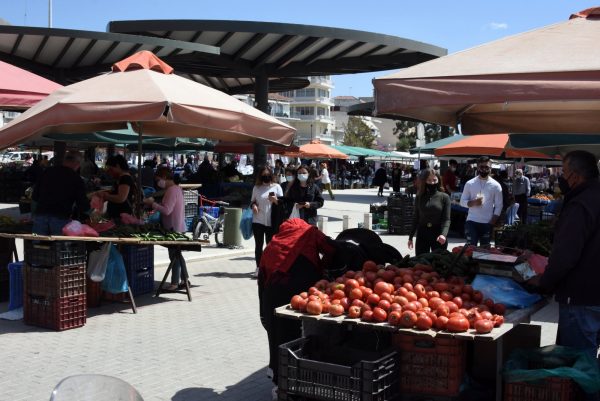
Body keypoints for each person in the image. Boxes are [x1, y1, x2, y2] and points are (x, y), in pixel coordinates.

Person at [530, 150, 600, 368]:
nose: (561, 178)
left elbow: (566, 255)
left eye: (564, 172)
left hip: (581, 296)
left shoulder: (581, 204)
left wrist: (545, 282)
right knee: (590, 362)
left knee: (579, 365)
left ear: (576, 176)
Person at [143, 167, 186, 290]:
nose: (158, 183)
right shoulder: (176, 189)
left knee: (175, 256)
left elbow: (167, 210)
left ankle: (174, 283)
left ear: (165, 177)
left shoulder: (172, 190)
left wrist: (153, 204)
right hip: (177, 226)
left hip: (174, 228)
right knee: (177, 255)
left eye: (158, 180)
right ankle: (184, 280)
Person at [32, 151, 90, 235]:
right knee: (59, 246)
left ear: (64, 161)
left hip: (41, 215)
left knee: (38, 246)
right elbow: (82, 205)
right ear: (77, 163)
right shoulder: (76, 178)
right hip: (60, 217)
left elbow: (35, 196)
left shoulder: (47, 171)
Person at [459, 156, 503, 247]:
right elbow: (462, 202)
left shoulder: (496, 185)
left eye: (486, 167)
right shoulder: (470, 183)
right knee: (471, 248)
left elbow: (499, 205)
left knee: (484, 251)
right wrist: (473, 202)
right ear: (477, 167)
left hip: (487, 222)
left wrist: (492, 221)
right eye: (481, 167)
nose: (484, 169)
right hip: (472, 221)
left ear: (491, 168)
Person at [408, 168, 451, 255]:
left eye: (434, 180)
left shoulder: (444, 197)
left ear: (438, 180)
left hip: (438, 234)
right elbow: (416, 217)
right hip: (422, 233)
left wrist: (443, 234)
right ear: (424, 181)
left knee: (439, 263)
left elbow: (446, 219)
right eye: (429, 180)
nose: (432, 183)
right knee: (421, 262)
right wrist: (410, 237)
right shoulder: (419, 197)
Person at [250, 166, 283, 277]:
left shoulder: (277, 187)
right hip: (258, 220)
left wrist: (276, 200)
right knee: (258, 245)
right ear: (260, 176)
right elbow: (252, 201)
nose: (266, 177)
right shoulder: (256, 188)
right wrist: (254, 206)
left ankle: (269, 267)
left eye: (268, 175)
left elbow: (283, 204)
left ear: (271, 175)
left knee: (270, 245)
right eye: (264, 175)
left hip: (272, 221)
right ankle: (258, 267)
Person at [98, 155, 137, 220]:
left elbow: (121, 198)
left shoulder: (125, 178)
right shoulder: (121, 178)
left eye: (111, 169)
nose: (110, 172)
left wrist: (106, 196)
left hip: (121, 216)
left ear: (117, 166)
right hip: (117, 214)